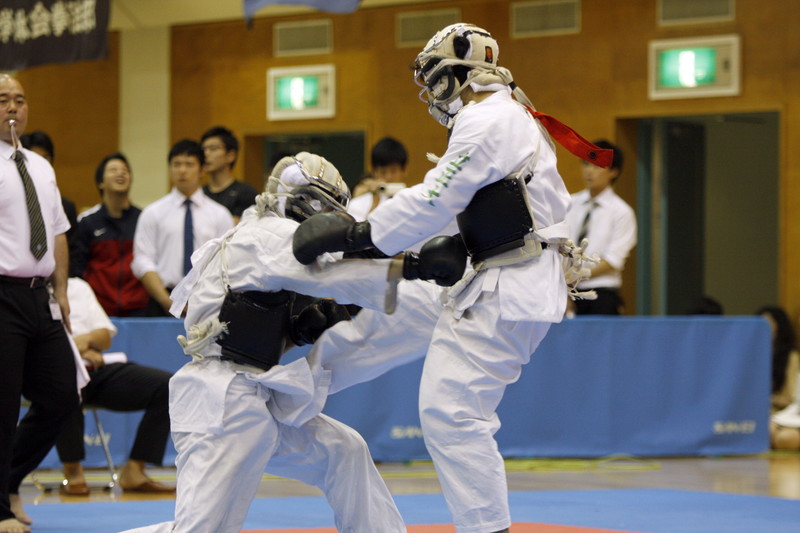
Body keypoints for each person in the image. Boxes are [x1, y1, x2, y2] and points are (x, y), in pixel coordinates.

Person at [291, 23, 611, 533]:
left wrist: (357, 235)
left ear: (461, 71)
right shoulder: (500, 120)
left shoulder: (492, 119)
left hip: (509, 285)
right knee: (393, 310)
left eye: (437, 78)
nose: (433, 93)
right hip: (492, 279)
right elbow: (442, 212)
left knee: (452, 412)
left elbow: (435, 198)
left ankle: (488, 529)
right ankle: (292, 394)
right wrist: (367, 271)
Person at [119, 152, 465, 533]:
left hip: (256, 395)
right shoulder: (262, 234)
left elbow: (293, 294)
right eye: (323, 207)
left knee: (343, 451)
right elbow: (329, 273)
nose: (325, 218)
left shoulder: (267, 241)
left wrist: (302, 327)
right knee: (202, 530)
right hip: (221, 402)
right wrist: (413, 267)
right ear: (298, 198)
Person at [0, 74, 81, 533]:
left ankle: (10, 479)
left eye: (20, 100)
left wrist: (64, 290)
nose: (13, 108)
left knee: (60, 397)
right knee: (3, 404)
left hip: (40, 296)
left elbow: (57, 232)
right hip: (1, 295)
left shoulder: (40, 166)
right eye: (3, 100)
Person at [53, 277, 174, 495]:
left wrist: (87, 340)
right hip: (53, 372)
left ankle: (135, 470)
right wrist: (75, 350)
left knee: (167, 386)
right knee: (66, 382)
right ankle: (73, 471)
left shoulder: (77, 286)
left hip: (97, 369)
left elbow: (104, 337)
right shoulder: (25, 290)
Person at [131, 139, 234, 316]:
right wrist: (166, 300)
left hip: (208, 300)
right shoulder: (152, 213)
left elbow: (227, 262)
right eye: (176, 164)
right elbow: (143, 261)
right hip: (162, 299)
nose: (182, 170)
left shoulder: (220, 214)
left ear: (202, 170)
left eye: (189, 164)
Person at [565, 139, 637, 315]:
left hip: (600, 294)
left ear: (613, 172)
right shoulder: (569, 203)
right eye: (586, 164)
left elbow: (613, 260)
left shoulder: (622, 212)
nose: (589, 171)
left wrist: (576, 276)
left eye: (597, 166)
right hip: (564, 290)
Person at [74, 153, 150, 317]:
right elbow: (77, 270)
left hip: (139, 310)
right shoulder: (87, 222)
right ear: (100, 182)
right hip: (98, 310)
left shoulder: (144, 219)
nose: (120, 173)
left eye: (125, 170)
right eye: (113, 170)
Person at [18, 130, 81, 278]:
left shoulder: (66, 206)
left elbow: (73, 253)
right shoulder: (12, 199)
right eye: (35, 158)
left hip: (53, 284)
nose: (41, 164)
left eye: (46, 158)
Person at [200, 126, 258, 223]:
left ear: (230, 155)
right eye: (203, 149)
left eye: (213, 148)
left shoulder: (247, 194)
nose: (206, 154)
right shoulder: (200, 194)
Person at [348, 137, 409, 221]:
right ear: (374, 172)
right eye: (383, 172)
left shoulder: (412, 200)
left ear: (404, 170)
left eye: (394, 171)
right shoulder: (357, 204)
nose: (389, 177)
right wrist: (375, 204)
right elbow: (358, 233)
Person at [756, 306, 800, 412]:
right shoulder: (751, 354)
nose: (764, 329)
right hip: (751, 410)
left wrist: (765, 398)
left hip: (780, 412)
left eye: (769, 324)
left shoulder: (791, 356)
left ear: (779, 326)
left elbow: (790, 397)